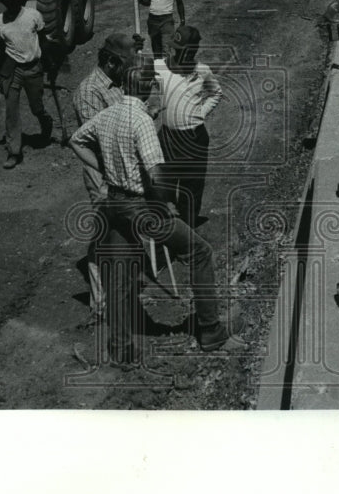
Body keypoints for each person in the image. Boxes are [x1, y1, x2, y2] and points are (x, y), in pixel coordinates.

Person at [69, 57, 243, 367]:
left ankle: (121, 349)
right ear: (148, 88)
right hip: (139, 206)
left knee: (120, 278)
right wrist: (162, 204)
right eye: (157, 88)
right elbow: (157, 175)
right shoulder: (142, 123)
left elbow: (77, 139)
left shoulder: (109, 114)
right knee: (199, 252)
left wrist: (106, 171)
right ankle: (211, 331)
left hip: (113, 205)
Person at [71, 32, 143, 325]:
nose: (131, 69)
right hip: (103, 174)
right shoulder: (89, 92)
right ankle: (101, 305)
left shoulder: (121, 82)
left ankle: (124, 289)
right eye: (127, 63)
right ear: (112, 62)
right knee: (104, 237)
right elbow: (98, 142)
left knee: (123, 231)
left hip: (124, 170)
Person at [153, 24, 222, 227]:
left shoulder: (202, 71)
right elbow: (135, 68)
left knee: (191, 190)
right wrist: (137, 48)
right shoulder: (160, 68)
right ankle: (169, 233)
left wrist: (201, 112)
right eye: (175, 49)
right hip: (168, 140)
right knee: (165, 188)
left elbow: (216, 93)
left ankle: (188, 233)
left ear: (192, 51)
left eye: (183, 51)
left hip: (194, 139)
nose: (177, 53)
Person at [0, 0, 54, 169]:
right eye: (6, 2)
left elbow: (43, 40)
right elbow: (0, 48)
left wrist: (50, 65)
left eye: (13, 1)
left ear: (20, 0)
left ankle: (46, 122)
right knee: (11, 111)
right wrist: (0, 74)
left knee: (37, 108)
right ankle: (14, 152)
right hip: (13, 69)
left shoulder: (33, 16)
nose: (10, 5)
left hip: (33, 67)